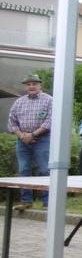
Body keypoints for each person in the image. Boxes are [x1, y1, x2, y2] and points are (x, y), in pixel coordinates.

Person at [7, 73, 53, 210]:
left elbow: (50, 121)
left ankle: (47, 203)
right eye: (28, 84)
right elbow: (12, 122)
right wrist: (22, 136)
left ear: (40, 85)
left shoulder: (49, 100)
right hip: (22, 141)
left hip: (43, 139)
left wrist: (33, 134)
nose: (31, 86)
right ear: (25, 87)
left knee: (44, 170)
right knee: (23, 170)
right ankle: (26, 201)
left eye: (34, 84)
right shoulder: (19, 102)